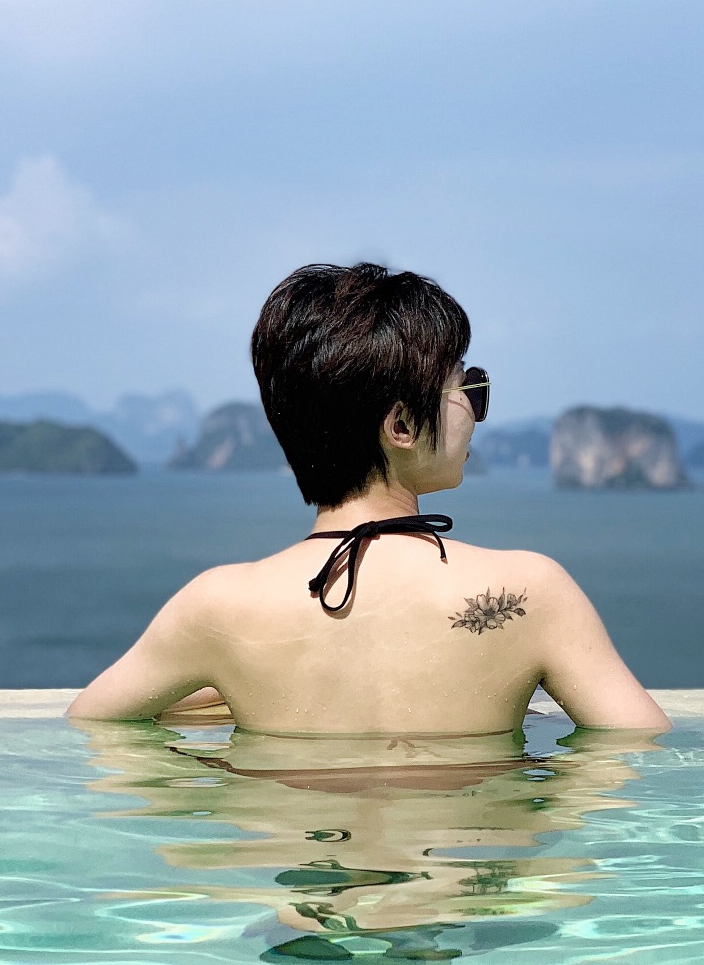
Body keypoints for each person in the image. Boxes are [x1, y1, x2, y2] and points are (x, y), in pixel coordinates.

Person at [69, 262, 669, 736]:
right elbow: (639, 747)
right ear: (402, 425)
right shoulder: (532, 592)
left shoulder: (217, 608)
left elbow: (90, 724)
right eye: (469, 388)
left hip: (294, 859)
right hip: (466, 856)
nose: (476, 410)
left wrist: (228, 692)